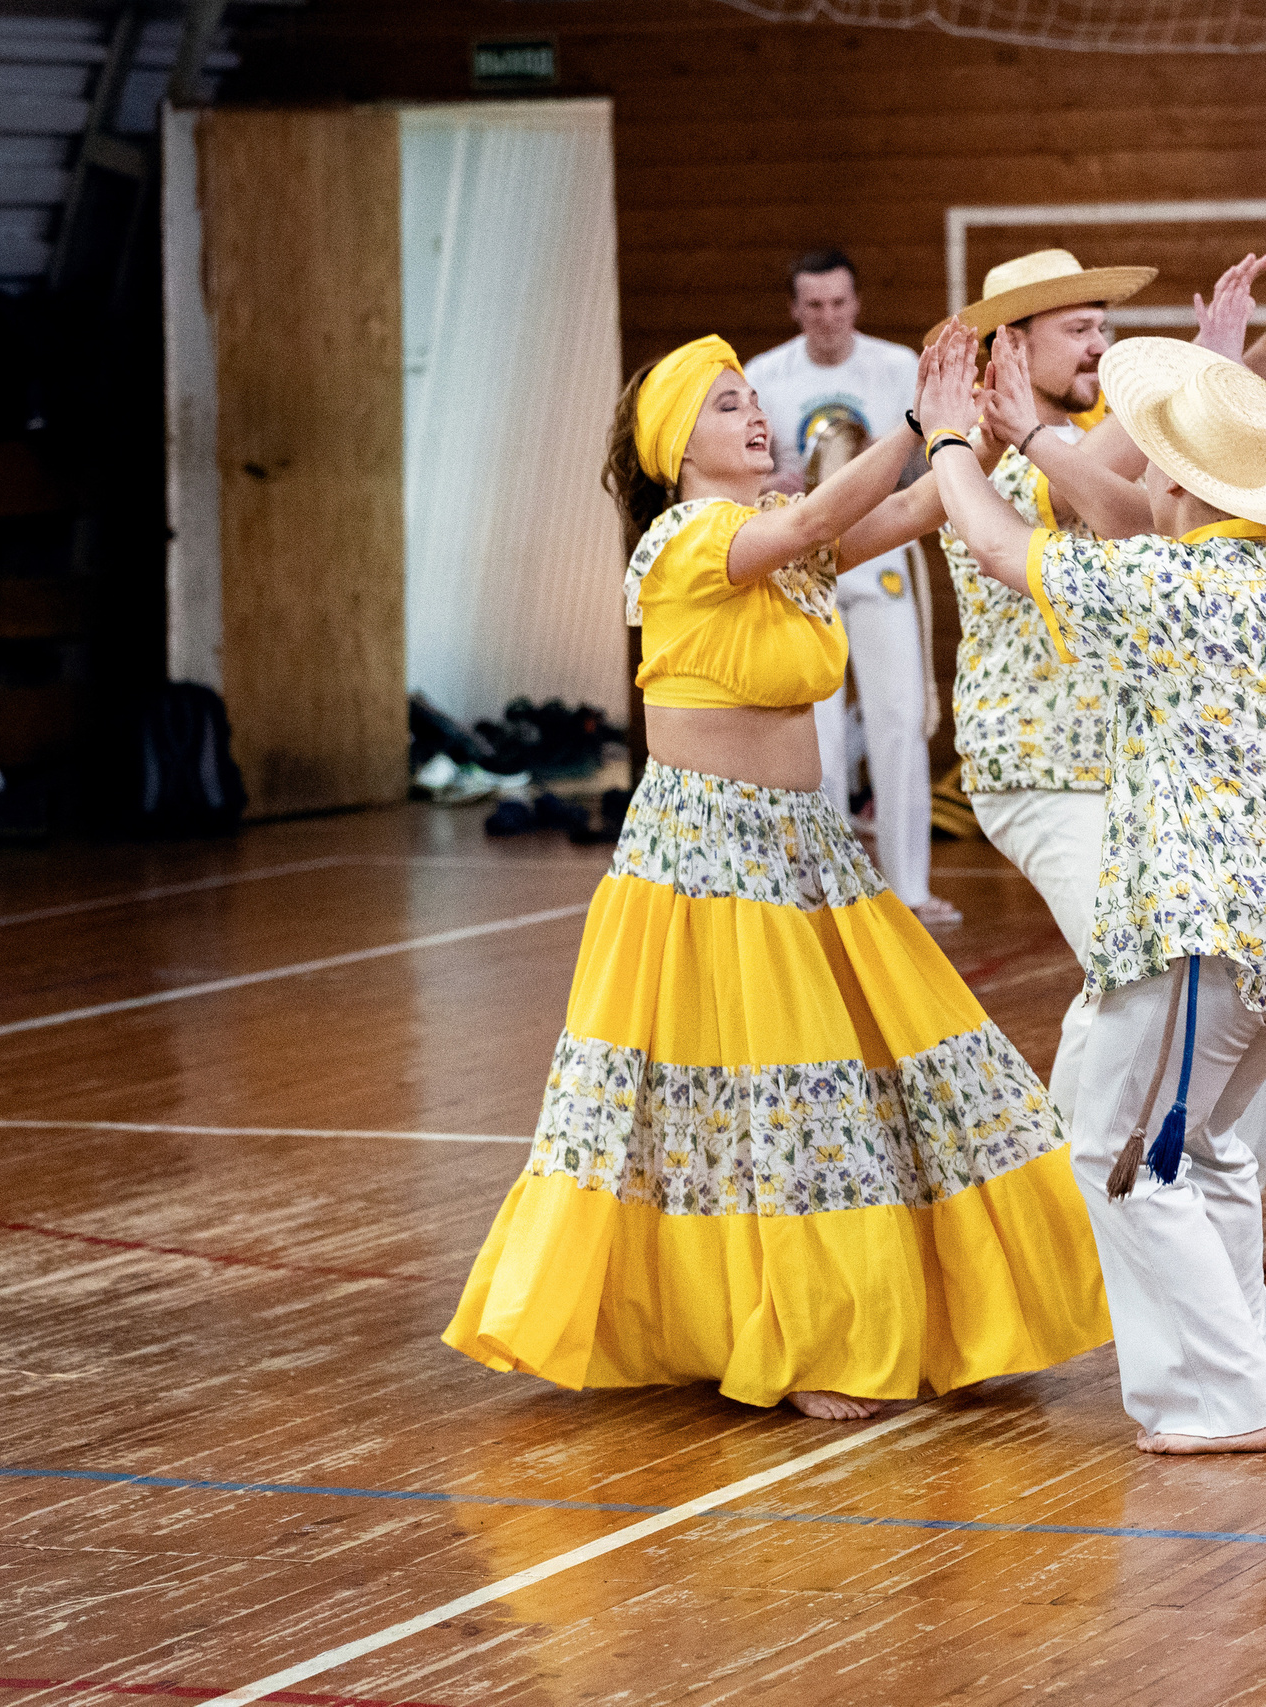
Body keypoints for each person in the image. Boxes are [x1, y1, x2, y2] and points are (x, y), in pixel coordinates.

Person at [443, 334, 1111, 1422]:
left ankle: (900, 1311)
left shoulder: (773, 544)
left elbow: (901, 516)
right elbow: (811, 519)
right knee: (777, 1103)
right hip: (706, 861)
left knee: (889, 1075)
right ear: (676, 448)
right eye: (725, 407)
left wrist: (973, 436)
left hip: (803, 847)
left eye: (754, 401)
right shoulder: (685, 539)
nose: (754, 418)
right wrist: (912, 428)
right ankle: (802, 1338)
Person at [926, 319, 1266, 1453]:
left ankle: (1229, 1402)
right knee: (1203, 1148)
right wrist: (1027, 431)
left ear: (1181, 483)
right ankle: (1240, 1379)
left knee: (1116, 1152)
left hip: (1206, 930)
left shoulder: (1168, 588)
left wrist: (949, 447)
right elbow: (1134, 529)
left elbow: (992, 545)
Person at [743, 248, 957, 927]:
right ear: (795, 308)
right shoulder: (764, 376)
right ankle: (828, 884)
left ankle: (910, 888)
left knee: (898, 720)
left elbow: (932, 461)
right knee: (820, 737)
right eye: (814, 305)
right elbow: (746, 470)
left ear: (856, 303)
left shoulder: (895, 367)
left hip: (879, 550)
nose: (828, 317)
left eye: (839, 303)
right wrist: (770, 483)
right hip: (801, 560)